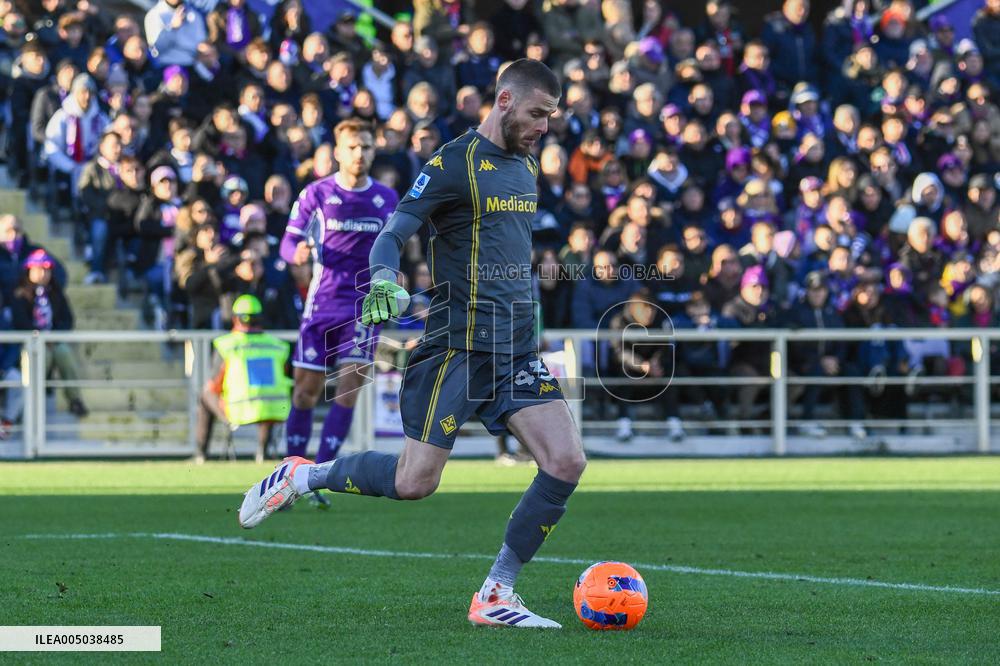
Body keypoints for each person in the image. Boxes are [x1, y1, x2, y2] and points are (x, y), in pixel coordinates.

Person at [239, 59, 584, 628]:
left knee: (566, 460)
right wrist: (381, 277)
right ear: (503, 102)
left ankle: (496, 592)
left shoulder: (525, 164)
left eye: (551, 115)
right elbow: (394, 232)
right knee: (414, 482)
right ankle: (304, 474)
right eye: (536, 113)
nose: (545, 126)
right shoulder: (454, 162)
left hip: (515, 348)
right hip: (457, 348)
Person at [275, 118, 399, 507]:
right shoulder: (316, 194)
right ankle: (286, 473)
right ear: (337, 151)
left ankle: (315, 480)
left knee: (347, 393)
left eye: (366, 146)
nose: (360, 153)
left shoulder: (386, 199)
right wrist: (293, 254)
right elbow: (288, 241)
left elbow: (395, 247)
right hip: (322, 304)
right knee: (306, 391)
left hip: (365, 309)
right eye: (352, 147)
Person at [193, 294, 291, 464]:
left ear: (235, 318)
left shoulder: (226, 345)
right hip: (277, 410)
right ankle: (263, 452)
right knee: (265, 404)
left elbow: (214, 384)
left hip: (237, 411)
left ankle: (201, 454)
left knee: (205, 394)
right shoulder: (278, 345)